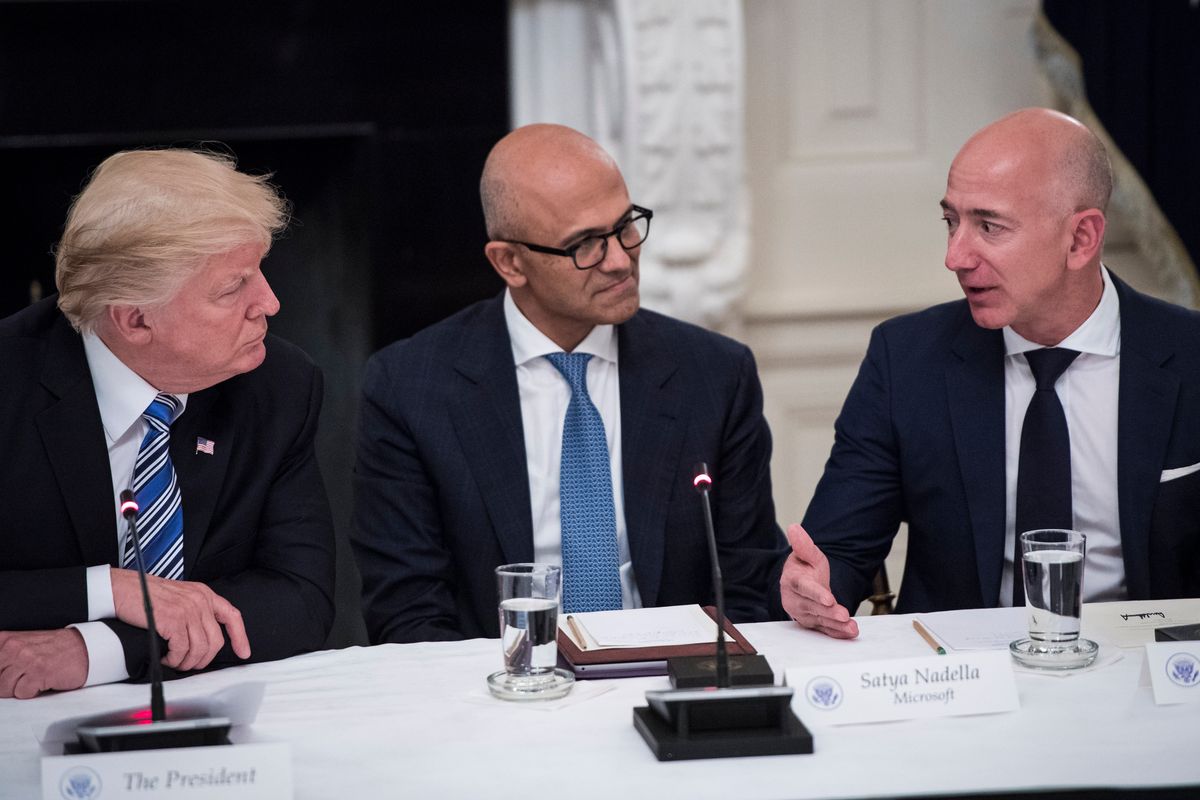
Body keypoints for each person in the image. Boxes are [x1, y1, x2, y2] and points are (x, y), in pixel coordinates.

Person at [353, 123, 787, 643]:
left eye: (626, 226)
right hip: (501, 690)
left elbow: (749, 585)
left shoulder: (715, 374)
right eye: (585, 245)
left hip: (674, 680)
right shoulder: (409, 387)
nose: (621, 259)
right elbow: (408, 613)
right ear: (510, 262)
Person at [778, 108, 1200, 638]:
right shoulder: (908, 359)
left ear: (1080, 239)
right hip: (966, 678)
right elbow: (839, 548)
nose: (955, 257)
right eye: (951, 221)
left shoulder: (1188, 356)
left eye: (989, 226)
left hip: (1152, 675)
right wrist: (813, 586)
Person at [0, 149, 336, 697]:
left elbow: (299, 598)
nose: (270, 303)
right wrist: (108, 591)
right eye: (233, 288)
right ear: (134, 319)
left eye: (260, 272)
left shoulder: (278, 384)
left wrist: (99, 649)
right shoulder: (11, 383)